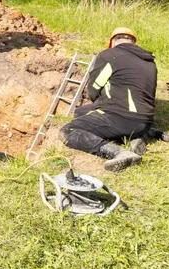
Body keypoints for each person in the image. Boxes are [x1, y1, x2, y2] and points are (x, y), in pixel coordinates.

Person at [60, 27, 157, 172]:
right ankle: (135, 137)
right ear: (133, 43)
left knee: (69, 130)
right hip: (145, 121)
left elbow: (94, 89)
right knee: (80, 112)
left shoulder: (109, 55)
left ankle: (118, 153)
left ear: (112, 42)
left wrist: (97, 100)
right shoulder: (149, 61)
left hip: (120, 117)